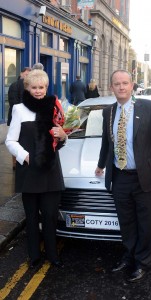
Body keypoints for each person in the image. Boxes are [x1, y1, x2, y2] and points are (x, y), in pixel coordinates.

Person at [95, 69, 151, 282]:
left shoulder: (149, 107)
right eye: (117, 84)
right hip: (120, 177)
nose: (121, 87)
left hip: (146, 177)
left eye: (125, 83)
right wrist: (101, 166)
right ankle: (129, 256)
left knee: (146, 223)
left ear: (132, 85)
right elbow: (106, 142)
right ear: (111, 87)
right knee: (126, 222)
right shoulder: (108, 112)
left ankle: (142, 262)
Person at [5, 69, 67, 269]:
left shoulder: (54, 108)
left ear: (46, 87)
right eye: (34, 87)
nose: (38, 91)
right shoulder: (19, 109)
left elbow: (60, 142)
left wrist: (63, 136)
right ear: (27, 88)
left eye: (42, 87)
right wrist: (25, 156)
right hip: (29, 171)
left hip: (50, 171)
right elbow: (10, 141)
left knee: (49, 216)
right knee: (31, 218)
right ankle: (34, 255)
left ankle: (52, 254)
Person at [7, 67, 32, 170]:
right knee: (15, 140)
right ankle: (15, 163)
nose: (27, 76)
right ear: (21, 74)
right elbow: (13, 102)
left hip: (22, 116)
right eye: (26, 74)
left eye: (29, 75)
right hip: (16, 117)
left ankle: (17, 163)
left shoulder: (30, 85)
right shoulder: (15, 85)